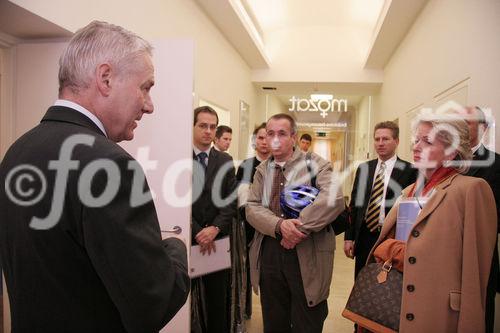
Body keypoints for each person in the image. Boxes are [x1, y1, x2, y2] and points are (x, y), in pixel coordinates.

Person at [0, 21, 189, 332]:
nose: (150, 105)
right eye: (146, 87)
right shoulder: (109, 165)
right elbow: (153, 304)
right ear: (105, 78)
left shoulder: (18, 151)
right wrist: (176, 248)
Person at [367, 108, 497, 332]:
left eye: (427, 141)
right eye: (416, 140)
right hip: (399, 307)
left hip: (439, 314)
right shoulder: (409, 191)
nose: (416, 147)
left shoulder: (471, 190)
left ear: (450, 151)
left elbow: (475, 276)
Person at [246, 113, 344, 333]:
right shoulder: (262, 170)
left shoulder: (317, 165)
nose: (275, 139)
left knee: (307, 321)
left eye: (282, 133)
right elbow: (252, 207)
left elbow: (334, 199)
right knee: (274, 320)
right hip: (270, 251)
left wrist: (297, 227)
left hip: (307, 252)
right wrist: (280, 227)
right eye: (270, 134)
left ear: (293, 137)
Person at [344, 121, 416, 277]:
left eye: (385, 139)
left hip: (391, 237)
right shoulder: (364, 169)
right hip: (364, 235)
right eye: (377, 139)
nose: (380, 143)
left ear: (396, 141)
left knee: (387, 282)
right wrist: (349, 237)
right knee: (362, 281)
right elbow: (354, 204)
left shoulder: (410, 171)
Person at [191, 106, 236, 333]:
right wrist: (197, 230)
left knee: (217, 300)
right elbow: (176, 202)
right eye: (202, 126)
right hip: (187, 238)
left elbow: (231, 202)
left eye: (212, 127)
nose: (208, 131)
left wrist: (215, 228)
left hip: (216, 241)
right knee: (185, 300)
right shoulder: (178, 156)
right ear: (192, 126)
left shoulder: (224, 160)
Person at [459, 106, 500, 333]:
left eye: (468, 122)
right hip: (445, 253)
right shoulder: (442, 161)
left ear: (482, 128)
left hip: (479, 252)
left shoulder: (496, 164)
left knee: (479, 315)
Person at [235, 122, 270, 319]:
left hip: (273, 230)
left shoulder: (278, 164)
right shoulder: (246, 166)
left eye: (268, 137)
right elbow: (241, 202)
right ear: (255, 140)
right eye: (261, 137)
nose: (264, 142)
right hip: (249, 228)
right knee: (247, 272)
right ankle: (244, 311)